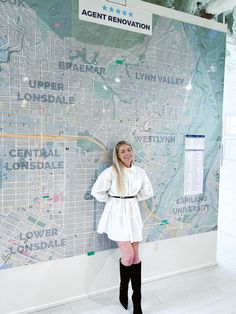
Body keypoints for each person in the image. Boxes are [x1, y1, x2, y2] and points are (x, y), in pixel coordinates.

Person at [91, 140, 153, 314]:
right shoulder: (111, 172)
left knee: (136, 257)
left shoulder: (140, 172)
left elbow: (148, 191)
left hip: (133, 213)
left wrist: (132, 199)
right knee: (128, 255)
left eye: (129, 150)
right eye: (122, 151)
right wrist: (113, 201)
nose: (126, 153)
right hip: (117, 214)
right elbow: (97, 191)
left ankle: (137, 299)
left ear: (132, 152)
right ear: (117, 155)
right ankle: (123, 289)